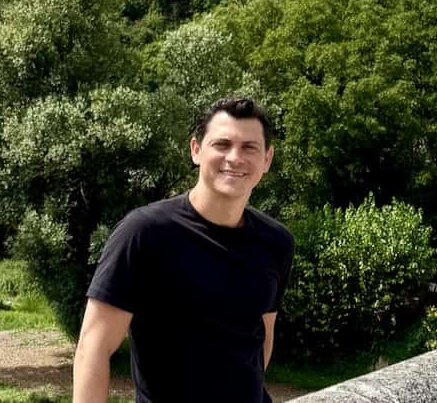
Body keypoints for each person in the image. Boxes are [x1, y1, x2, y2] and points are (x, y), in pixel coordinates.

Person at [72, 96, 294, 403]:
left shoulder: (276, 242)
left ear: (266, 159)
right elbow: (92, 348)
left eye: (249, 148)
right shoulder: (144, 233)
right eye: (222, 144)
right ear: (196, 151)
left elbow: (262, 337)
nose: (234, 157)